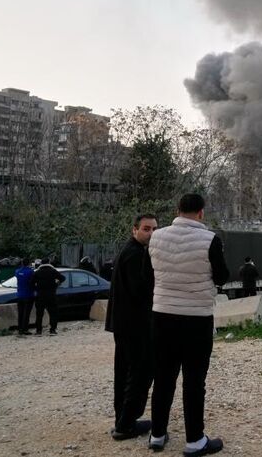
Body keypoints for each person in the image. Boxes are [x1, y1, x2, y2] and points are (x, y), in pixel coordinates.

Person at [148, 193, 230, 455]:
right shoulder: (210, 240)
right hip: (196, 318)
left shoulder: (156, 237)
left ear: (177, 209)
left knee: (163, 377)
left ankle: (157, 434)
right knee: (194, 381)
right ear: (201, 213)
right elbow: (221, 277)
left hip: (162, 316)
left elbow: (155, 271)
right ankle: (195, 440)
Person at [106, 214, 158, 441]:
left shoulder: (130, 252)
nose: (151, 233)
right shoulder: (136, 255)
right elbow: (142, 291)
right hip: (135, 325)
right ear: (134, 230)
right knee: (140, 373)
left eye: (155, 229)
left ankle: (122, 420)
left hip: (124, 324)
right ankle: (126, 424)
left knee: (125, 373)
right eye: (147, 229)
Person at [32, 258, 66, 335]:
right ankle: (52, 330)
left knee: (39, 314)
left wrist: (37, 288)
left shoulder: (37, 272)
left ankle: (38, 331)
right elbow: (63, 278)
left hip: (40, 296)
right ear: (49, 263)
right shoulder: (53, 271)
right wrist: (56, 284)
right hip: (51, 295)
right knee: (53, 313)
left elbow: (31, 283)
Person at [14, 258, 34, 335]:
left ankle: (20, 329)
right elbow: (32, 281)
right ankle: (25, 329)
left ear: (22, 263)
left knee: (20, 313)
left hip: (20, 295)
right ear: (29, 263)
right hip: (28, 294)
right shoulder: (30, 272)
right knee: (27, 313)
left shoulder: (17, 271)